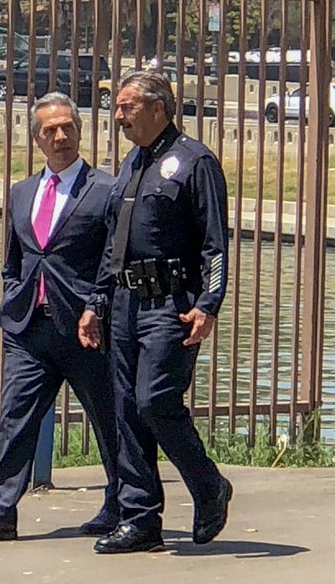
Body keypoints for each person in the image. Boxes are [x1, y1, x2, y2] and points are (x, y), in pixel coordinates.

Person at [0, 92, 121, 543]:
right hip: (29, 327)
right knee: (15, 418)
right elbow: (16, 259)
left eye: (68, 127)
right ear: (37, 138)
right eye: (51, 130)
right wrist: (12, 296)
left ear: (81, 132)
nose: (61, 136)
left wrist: (97, 308)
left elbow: (112, 261)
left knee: (109, 419)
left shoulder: (106, 191)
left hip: (86, 329)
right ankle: (0, 513)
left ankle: (120, 502)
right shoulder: (21, 192)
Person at [79, 70, 233, 554]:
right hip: (124, 304)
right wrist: (95, 303)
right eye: (117, 107)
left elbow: (216, 246)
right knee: (126, 410)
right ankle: (140, 518)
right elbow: (113, 245)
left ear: (158, 108)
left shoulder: (194, 162)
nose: (118, 116)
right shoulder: (131, 162)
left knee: (155, 403)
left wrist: (208, 305)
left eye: (126, 107)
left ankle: (208, 486)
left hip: (171, 306)